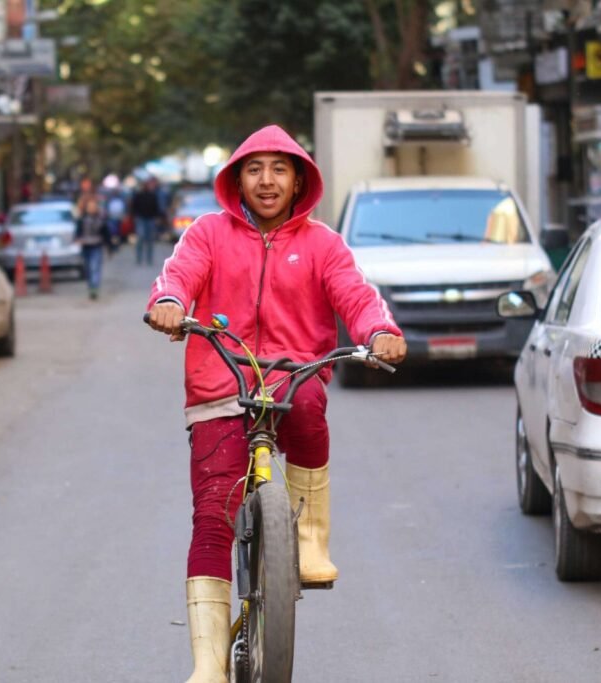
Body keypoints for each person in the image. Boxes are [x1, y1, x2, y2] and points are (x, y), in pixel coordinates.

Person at [145, 125, 407, 682]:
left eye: (280, 169)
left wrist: (380, 331)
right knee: (212, 517)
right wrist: (169, 301)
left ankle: (309, 542)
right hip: (220, 381)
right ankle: (208, 664)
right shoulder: (208, 233)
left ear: (298, 182)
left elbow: (357, 296)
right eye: (255, 169)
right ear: (237, 180)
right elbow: (178, 276)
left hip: (292, 375)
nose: (267, 181)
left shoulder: (323, 244)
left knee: (310, 401)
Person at [75, 177, 108, 300]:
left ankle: (95, 287)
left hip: (96, 244)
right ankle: (91, 286)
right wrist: (77, 238)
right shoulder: (82, 209)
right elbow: (78, 227)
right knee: (88, 268)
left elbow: (105, 230)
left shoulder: (99, 202)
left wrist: (110, 245)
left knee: (95, 267)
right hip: (86, 244)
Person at [132, 178, 164, 265]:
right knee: (140, 238)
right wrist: (135, 216)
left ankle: (149, 259)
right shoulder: (139, 195)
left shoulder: (153, 195)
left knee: (150, 240)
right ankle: (139, 258)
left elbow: (156, 207)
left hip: (150, 219)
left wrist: (157, 217)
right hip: (141, 219)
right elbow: (134, 207)